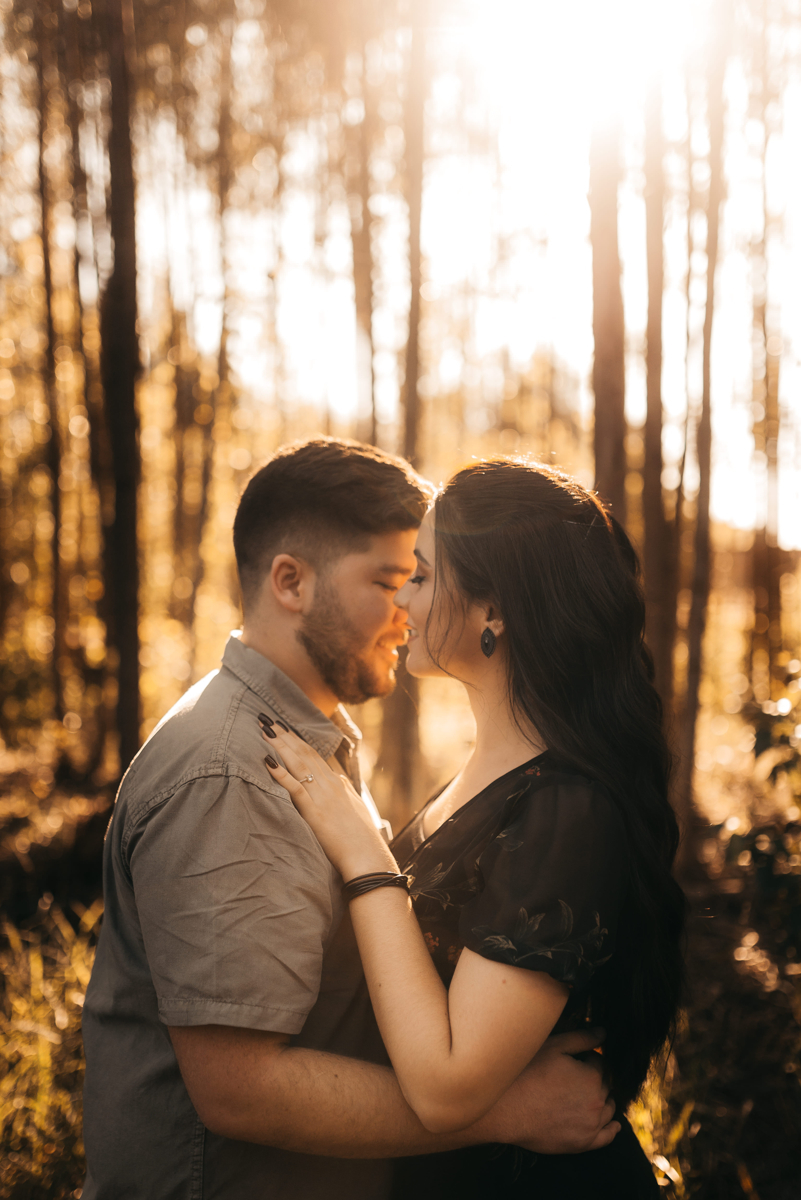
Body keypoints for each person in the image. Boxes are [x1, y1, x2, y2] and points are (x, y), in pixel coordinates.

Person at [81, 440, 619, 1200]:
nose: (404, 608)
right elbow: (239, 1088)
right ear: (291, 582)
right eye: (387, 580)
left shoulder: (305, 744)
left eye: (419, 578)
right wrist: (507, 1110)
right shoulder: (235, 771)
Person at [262, 456, 686, 1199]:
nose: (404, 600)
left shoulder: (568, 808)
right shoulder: (488, 774)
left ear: (496, 610)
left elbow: (445, 1089)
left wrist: (363, 851)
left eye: (421, 575)